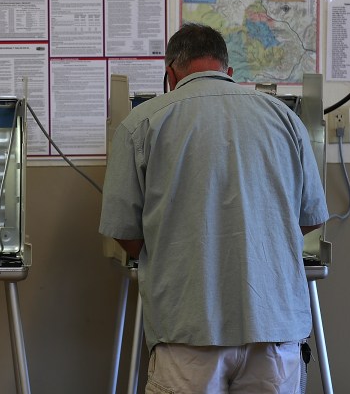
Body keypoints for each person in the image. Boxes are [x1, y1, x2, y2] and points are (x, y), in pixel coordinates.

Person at [99, 23, 328, 393]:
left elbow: (125, 233)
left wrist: (174, 256)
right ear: (229, 72)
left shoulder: (140, 123)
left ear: (170, 74)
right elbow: (310, 219)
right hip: (275, 328)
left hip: (188, 331)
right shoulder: (285, 119)